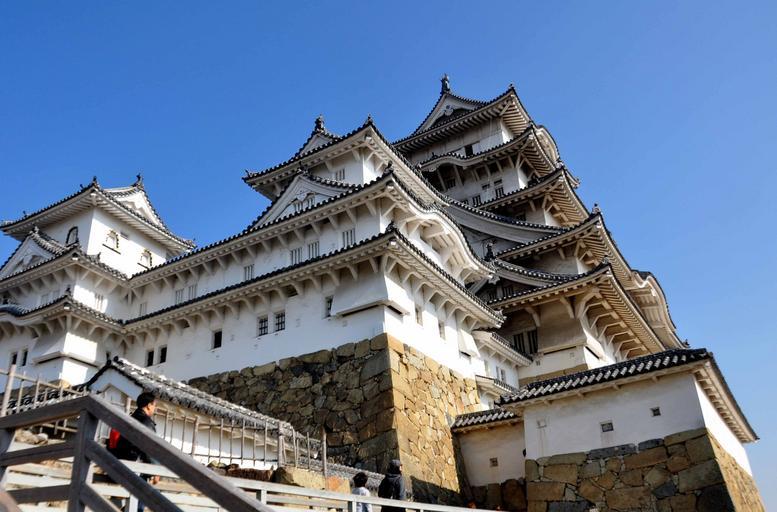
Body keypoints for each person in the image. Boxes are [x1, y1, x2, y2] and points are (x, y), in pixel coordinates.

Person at [113, 392, 160, 512]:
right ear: (149, 405)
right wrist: (156, 470)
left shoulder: (130, 418)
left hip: (123, 464)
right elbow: (149, 447)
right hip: (138, 466)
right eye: (154, 405)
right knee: (140, 502)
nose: (155, 408)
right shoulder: (146, 422)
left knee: (131, 501)